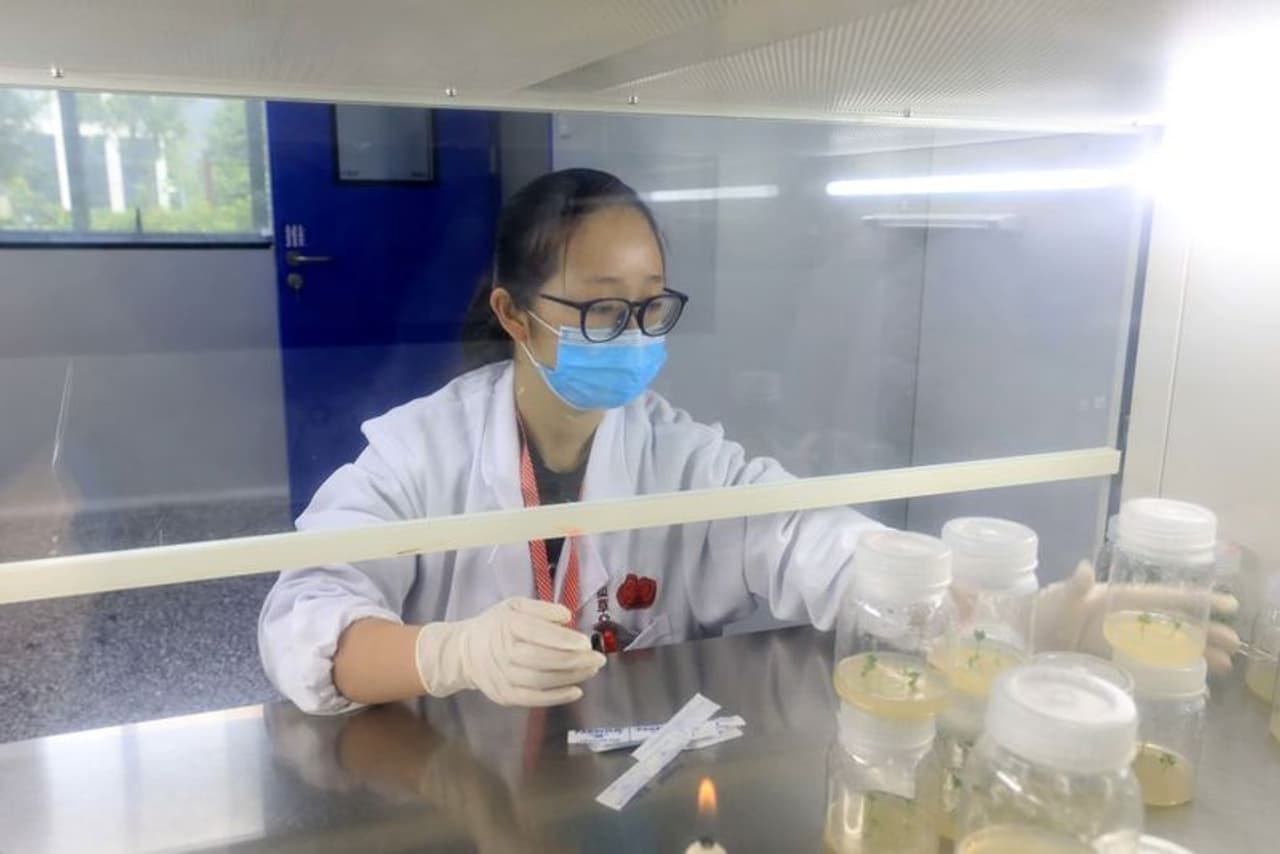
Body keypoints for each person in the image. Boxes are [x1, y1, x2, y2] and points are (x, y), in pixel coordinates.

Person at [259, 169, 1238, 716]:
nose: (634, 336)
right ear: (514, 315)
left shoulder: (680, 458)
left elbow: (811, 539)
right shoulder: (420, 452)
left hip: (618, 777)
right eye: (601, 310)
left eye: (652, 307)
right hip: (447, 780)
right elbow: (303, 615)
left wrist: (1008, 622)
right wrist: (448, 653)